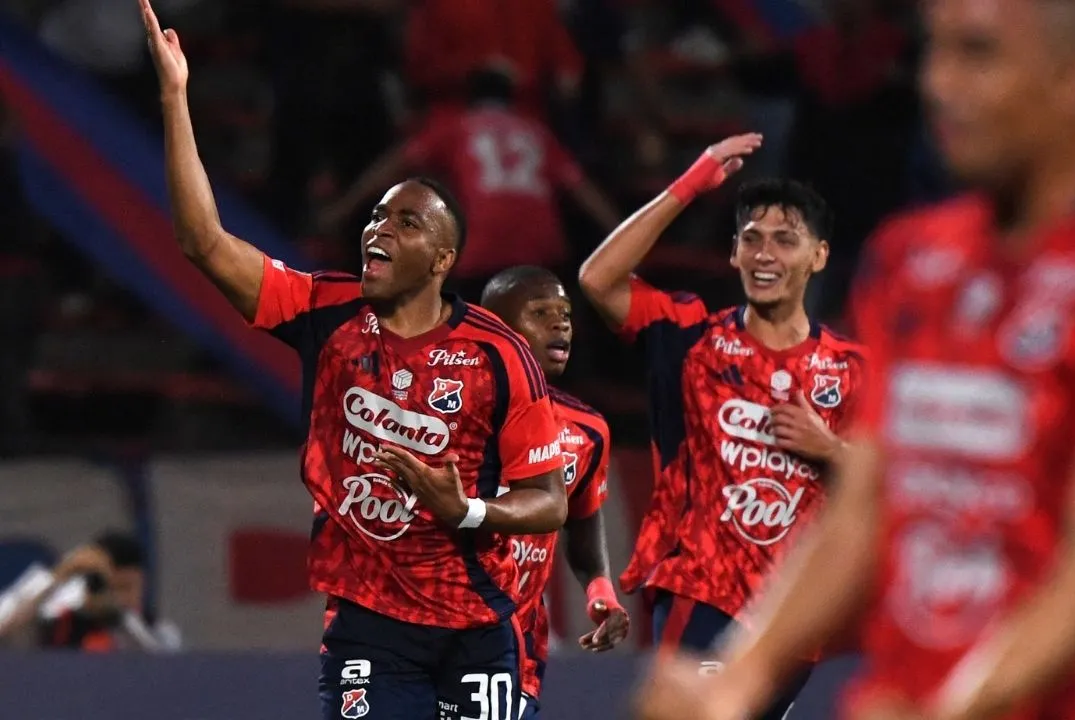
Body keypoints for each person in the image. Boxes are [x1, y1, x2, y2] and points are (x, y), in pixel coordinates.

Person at [634, 2, 1075, 720]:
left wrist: (952, 710)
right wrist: (735, 681)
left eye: (978, 55)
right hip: (907, 697)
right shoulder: (910, 259)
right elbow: (862, 512)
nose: (939, 83)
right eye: (937, 52)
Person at [139, 3, 568, 719]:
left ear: (443, 258)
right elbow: (204, 243)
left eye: (406, 221)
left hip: (475, 628)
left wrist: (464, 509)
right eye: (376, 216)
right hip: (369, 622)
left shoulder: (500, 355)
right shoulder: (325, 310)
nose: (379, 228)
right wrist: (175, 97)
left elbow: (548, 501)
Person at [579, 137, 867, 719]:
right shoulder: (690, 336)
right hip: (700, 591)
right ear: (733, 254)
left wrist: (829, 447)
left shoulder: (852, 368)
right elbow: (597, 279)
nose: (765, 254)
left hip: (789, 612)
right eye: (751, 239)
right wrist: (691, 183)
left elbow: (894, 482)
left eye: (785, 239)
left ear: (819, 256)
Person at [321, 67, 619, 300]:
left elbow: (395, 165)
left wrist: (344, 208)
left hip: (483, 250)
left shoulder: (456, 125)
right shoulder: (536, 131)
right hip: (541, 249)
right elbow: (583, 190)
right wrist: (620, 232)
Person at [480, 265, 631, 719]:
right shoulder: (447, 410)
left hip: (516, 643)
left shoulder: (587, 430)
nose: (560, 323)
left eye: (564, 313)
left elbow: (582, 523)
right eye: (540, 312)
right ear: (495, 328)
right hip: (431, 624)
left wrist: (600, 592)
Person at [0, 531, 179, 652]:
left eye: (125, 587)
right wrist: (59, 574)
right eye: (107, 585)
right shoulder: (57, 623)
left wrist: (120, 616)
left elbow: (165, 667)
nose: (115, 595)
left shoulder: (159, 631)